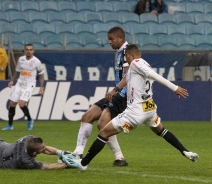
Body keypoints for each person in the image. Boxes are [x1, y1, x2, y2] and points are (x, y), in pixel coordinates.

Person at [71, 44, 199, 171]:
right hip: (149, 109)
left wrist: (175, 88)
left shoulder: (136, 63)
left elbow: (155, 76)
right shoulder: (142, 64)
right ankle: (185, 151)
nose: (125, 60)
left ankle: (82, 164)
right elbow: (130, 76)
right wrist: (116, 89)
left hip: (135, 112)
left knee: (104, 132)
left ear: (129, 56)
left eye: (125, 57)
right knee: (161, 130)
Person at [73, 26, 129, 167]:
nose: (110, 42)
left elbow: (130, 75)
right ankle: (78, 153)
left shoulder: (127, 53)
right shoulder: (120, 52)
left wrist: (115, 89)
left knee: (103, 125)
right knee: (87, 117)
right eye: (108, 39)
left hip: (123, 97)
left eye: (112, 39)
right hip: (116, 95)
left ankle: (120, 157)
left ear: (121, 38)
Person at [2, 44, 44, 131]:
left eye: (30, 50)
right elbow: (17, 71)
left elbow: (41, 74)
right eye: (27, 49)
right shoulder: (21, 59)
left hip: (29, 84)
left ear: (33, 51)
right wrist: (12, 80)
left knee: (21, 104)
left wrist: (41, 87)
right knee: (12, 104)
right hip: (20, 83)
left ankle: (29, 119)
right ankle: (10, 125)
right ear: (25, 51)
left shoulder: (36, 61)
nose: (29, 51)